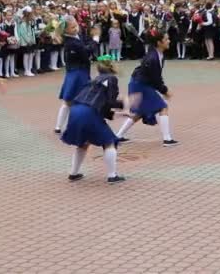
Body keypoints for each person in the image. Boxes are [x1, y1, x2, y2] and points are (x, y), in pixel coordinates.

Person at [60, 54, 126, 184]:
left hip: (75, 109)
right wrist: (123, 104)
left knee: (83, 142)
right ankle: (112, 176)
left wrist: (118, 114)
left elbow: (103, 107)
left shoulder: (93, 80)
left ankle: (73, 173)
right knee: (109, 142)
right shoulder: (112, 79)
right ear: (112, 66)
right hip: (89, 111)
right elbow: (110, 103)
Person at [116, 27, 178, 147]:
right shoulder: (152, 58)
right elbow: (155, 80)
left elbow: (156, 77)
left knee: (138, 113)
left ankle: (118, 136)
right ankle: (167, 140)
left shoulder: (158, 54)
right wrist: (165, 90)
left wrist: (163, 88)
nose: (169, 41)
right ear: (159, 42)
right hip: (140, 85)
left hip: (140, 84)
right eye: (166, 39)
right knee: (162, 107)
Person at [54, 16, 93, 134]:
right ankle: (61, 126)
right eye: (72, 27)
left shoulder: (77, 37)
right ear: (66, 30)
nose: (76, 28)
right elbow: (86, 53)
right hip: (77, 72)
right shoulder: (70, 42)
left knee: (70, 101)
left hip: (79, 71)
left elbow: (86, 45)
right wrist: (95, 40)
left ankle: (60, 126)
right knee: (72, 101)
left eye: (76, 25)